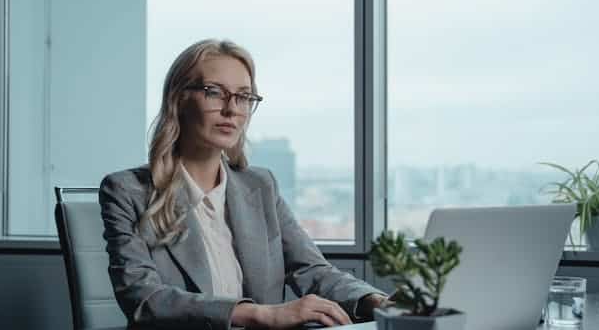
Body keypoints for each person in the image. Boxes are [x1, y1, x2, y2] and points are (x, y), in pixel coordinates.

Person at [99, 39, 388, 329]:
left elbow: (311, 269)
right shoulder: (127, 191)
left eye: (244, 96)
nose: (232, 109)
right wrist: (261, 314)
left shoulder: (261, 185)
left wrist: (376, 302)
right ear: (178, 99)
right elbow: (144, 299)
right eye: (214, 93)